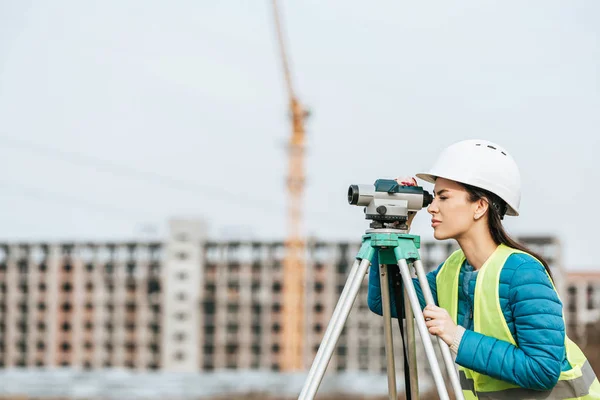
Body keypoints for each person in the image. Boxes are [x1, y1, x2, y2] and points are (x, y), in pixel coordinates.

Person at [367, 139, 600, 399]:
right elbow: (387, 301)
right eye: (433, 198)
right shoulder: (452, 271)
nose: (432, 207)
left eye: (443, 197)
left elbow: (543, 369)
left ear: (480, 206)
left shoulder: (523, 273)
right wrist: (393, 229)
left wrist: (457, 336)